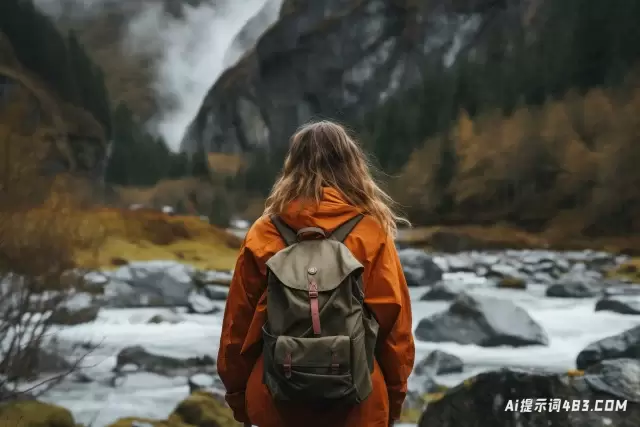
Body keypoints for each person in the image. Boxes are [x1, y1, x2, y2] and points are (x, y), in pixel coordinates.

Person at [217, 120, 415, 427]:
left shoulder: (263, 232)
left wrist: (239, 399)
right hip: (358, 405)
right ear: (352, 167)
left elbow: (237, 330)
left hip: (275, 402)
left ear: (292, 166)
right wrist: (394, 400)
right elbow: (395, 331)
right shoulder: (371, 233)